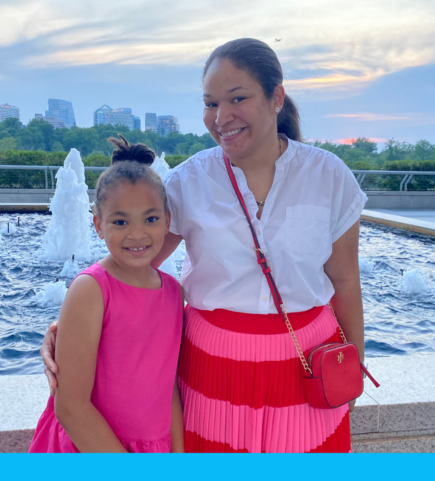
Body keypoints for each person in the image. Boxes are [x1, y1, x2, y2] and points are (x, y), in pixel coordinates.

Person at [41, 38, 367, 453]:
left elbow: (345, 280)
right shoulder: (189, 181)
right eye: (210, 103)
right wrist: (68, 328)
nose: (221, 117)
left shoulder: (329, 175)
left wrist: (354, 360)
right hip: (213, 369)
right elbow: (129, 272)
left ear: (276, 98)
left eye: (237, 99)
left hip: (308, 364)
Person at [29, 136, 184, 453]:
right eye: (120, 221)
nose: (137, 234)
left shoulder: (172, 291)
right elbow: (71, 407)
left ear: (168, 221)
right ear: (98, 225)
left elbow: (169, 389)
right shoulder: (91, 289)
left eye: (151, 219)